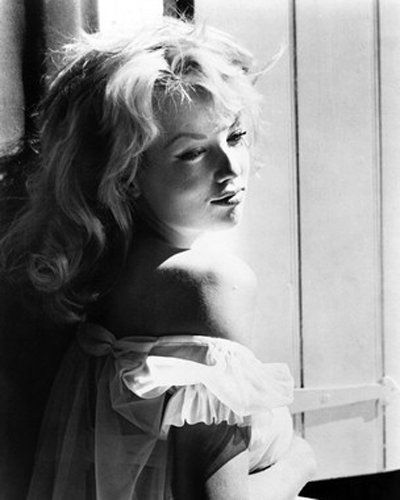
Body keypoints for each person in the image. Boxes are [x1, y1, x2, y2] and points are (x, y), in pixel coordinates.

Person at [1, 17, 316, 499]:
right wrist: (300, 459)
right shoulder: (206, 282)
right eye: (192, 153)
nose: (231, 168)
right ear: (123, 173)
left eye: (233, 137)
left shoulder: (100, 270)